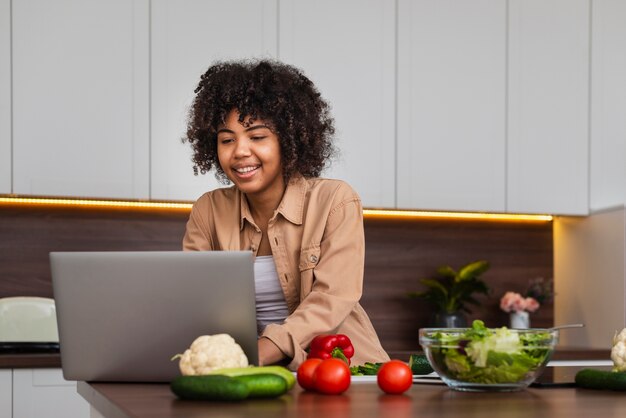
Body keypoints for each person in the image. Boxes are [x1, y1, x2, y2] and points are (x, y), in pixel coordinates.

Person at [181, 59, 389, 370]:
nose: (239, 151)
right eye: (227, 140)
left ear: (288, 141)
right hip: (247, 373)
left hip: (341, 372)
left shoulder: (335, 201)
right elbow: (193, 301)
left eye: (257, 136)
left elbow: (332, 299)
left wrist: (264, 349)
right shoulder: (208, 210)